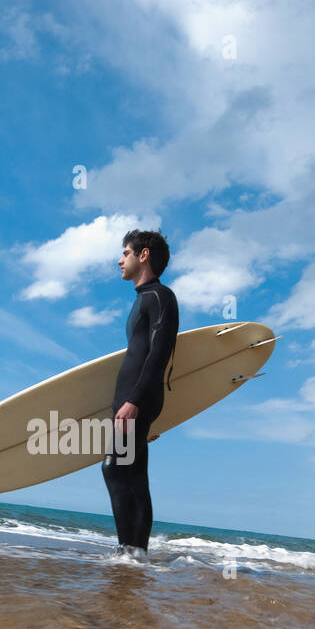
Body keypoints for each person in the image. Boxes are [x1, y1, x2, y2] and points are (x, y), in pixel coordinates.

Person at [102, 229, 179, 554]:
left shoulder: (161, 296)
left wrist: (136, 402)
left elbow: (159, 353)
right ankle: (133, 553)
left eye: (126, 253)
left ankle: (131, 552)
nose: (120, 260)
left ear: (143, 255)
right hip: (132, 401)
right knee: (129, 473)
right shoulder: (143, 300)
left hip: (135, 400)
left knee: (116, 469)